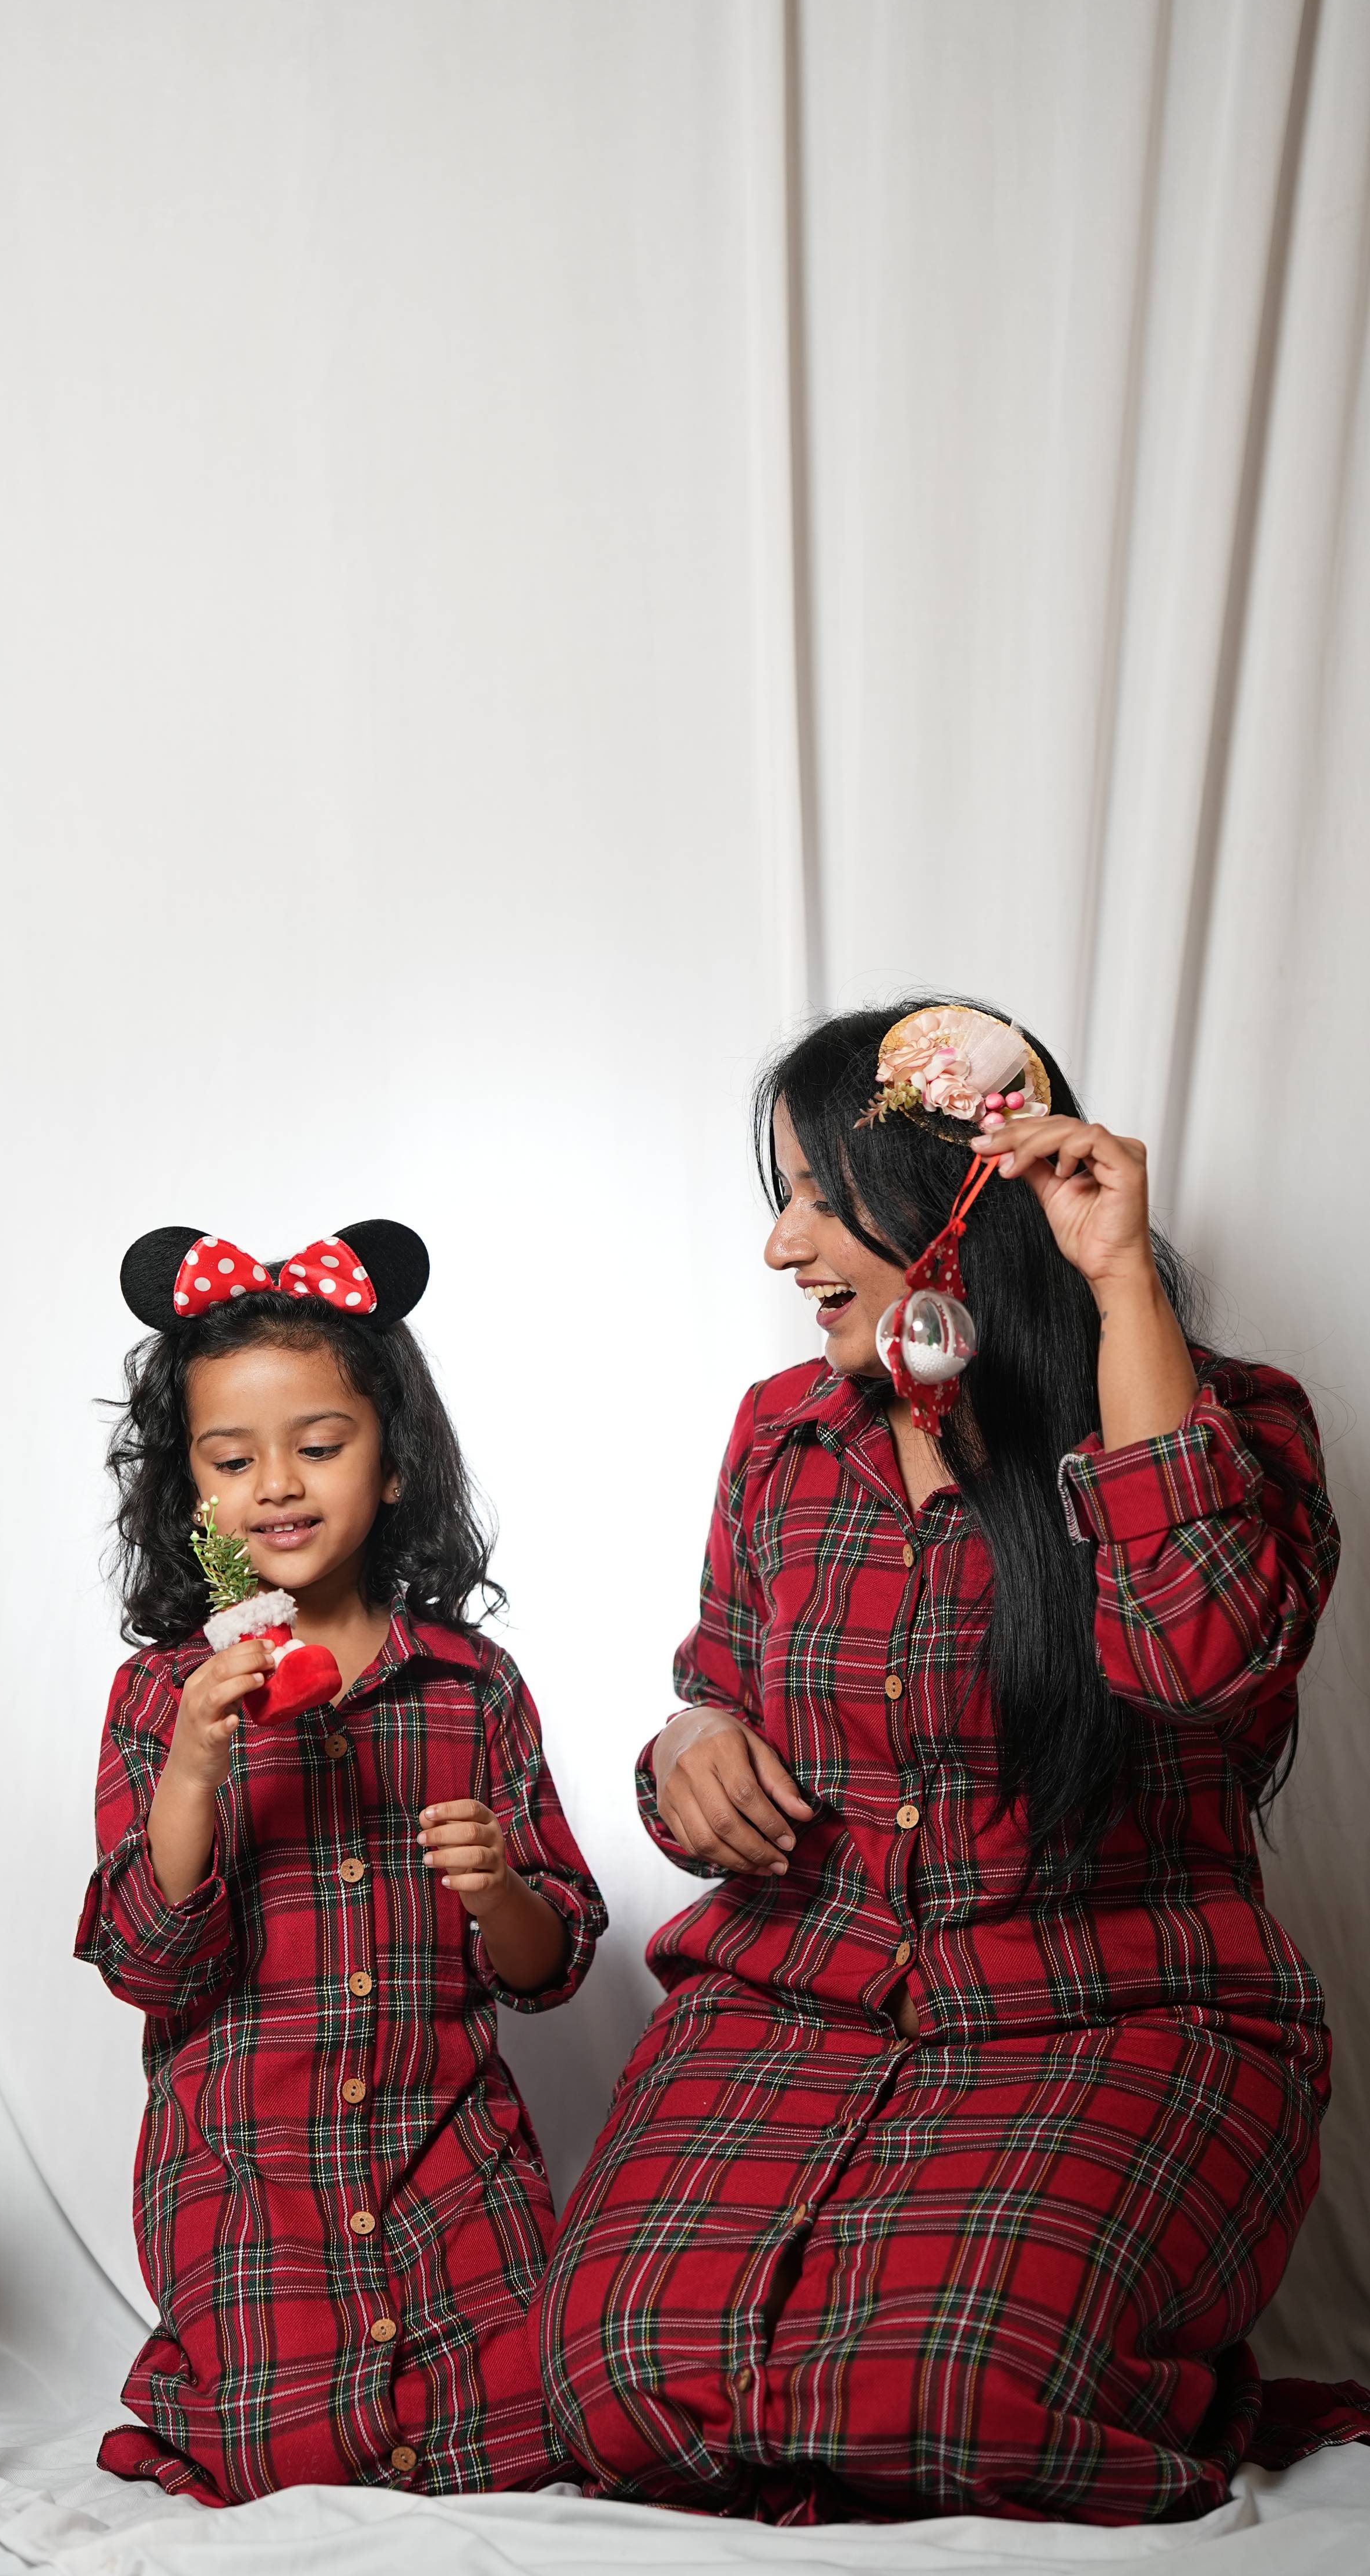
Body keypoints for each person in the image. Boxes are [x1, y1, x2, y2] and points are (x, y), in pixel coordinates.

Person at [538, 1000, 1368, 2523]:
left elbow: (1195, 1666)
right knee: (617, 2388)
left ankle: (1137, 2366)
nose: (781, 1247)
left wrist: (1114, 1281)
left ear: (957, 1199)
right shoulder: (781, 1437)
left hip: (1111, 2012)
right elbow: (713, 1684)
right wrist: (693, 1745)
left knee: (960, 2387)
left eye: (816, 1193)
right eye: (775, 1195)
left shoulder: (1236, 1422)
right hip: (799, 2008)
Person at [77, 1217, 605, 2506]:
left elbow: (549, 1969)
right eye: (232, 1456)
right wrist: (198, 1759)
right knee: (290, 2464)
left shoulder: (469, 1688)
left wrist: (496, 1890)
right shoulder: (161, 1694)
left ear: (394, 1462)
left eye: (319, 1445)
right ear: (187, 1488)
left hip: (452, 2166)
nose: (279, 1482)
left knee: (551, 2430)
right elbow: (148, 1963)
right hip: (254, 2181)